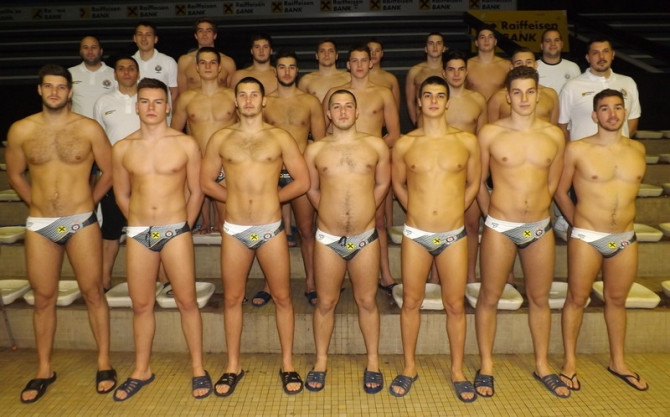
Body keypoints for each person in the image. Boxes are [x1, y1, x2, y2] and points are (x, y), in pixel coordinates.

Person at [7, 64, 115, 403]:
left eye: (61, 87)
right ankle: (44, 369)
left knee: (93, 292)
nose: (55, 92)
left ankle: (104, 362)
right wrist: (36, 203)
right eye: (49, 86)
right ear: (39, 90)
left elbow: (109, 171)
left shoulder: (89, 128)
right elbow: (15, 175)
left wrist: (89, 202)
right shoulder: (21, 130)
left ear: (70, 92)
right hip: (41, 225)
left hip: (80, 221)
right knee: (43, 298)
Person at [201, 77, 309, 396]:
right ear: (235, 101)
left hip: (270, 227)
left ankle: (287, 364)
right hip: (235, 229)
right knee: (232, 298)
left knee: (283, 297)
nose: (248, 100)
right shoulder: (221, 138)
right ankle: (232, 366)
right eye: (243, 95)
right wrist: (234, 198)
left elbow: (302, 181)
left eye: (254, 95)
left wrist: (273, 199)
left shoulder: (279, 137)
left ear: (264, 101)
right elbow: (206, 183)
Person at [475, 66, 568, 399]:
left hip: (539, 227)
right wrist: (492, 215)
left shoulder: (554, 135)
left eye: (530, 91)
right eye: (517, 92)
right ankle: (486, 365)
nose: (524, 98)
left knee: (539, 299)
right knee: (489, 297)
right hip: (501, 226)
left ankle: (542, 364)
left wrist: (537, 209)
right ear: (507, 96)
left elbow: (553, 183)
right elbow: (477, 182)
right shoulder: (490, 133)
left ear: (539, 95)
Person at [112, 78, 208, 401]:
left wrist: (184, 227)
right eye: (145, 101)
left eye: (157, 101)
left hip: (175, 229)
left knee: (187, 302)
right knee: (141, 305)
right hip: (140, 233)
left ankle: (198, 368)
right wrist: (138, 223)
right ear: (136, 106)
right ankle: (142, 369)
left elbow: (196, 190)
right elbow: (121, 194)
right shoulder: (122, 148)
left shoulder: (185, 144)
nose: (151, 107)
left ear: (168, 106)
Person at [390, 76, 481, 401]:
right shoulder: (405, 144)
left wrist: (457, 208)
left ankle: (457, 370)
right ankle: (409, 367)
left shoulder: (467, 141)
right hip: (417, 233)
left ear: (447, 102)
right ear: (418, 101)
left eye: (439, 96)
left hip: (453, 234)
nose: (432, 101)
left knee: (455, 305)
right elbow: (398, 183)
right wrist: (414, 209)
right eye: (427, 95)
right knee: (411, 302)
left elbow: (474, 182)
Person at [557, 89, 648, 392]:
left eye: (618, 108)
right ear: (595, 116)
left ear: (625, 112)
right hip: (587, 235)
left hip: (624, 237)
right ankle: (569, 363)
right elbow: (560, 190)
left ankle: (618, 361)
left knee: (617, 300)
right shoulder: (577, 149)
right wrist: (577, 223)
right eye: (605, 109)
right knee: (576, 298)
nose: (612, 114)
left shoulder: (638, 150)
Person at [303, 89, 390, 394]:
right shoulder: (315, 150)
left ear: (357, 112)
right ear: (328, 114)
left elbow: (382, 183)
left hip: (365, 237)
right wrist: (330, 212)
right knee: (326, 302)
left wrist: (364, 210)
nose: (342, 111)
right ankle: (321, 361)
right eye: (336, 107)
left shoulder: (376, 145)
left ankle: (373, 362)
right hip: (328, 238)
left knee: (367, 301)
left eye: (348, 106)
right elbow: (312, 189)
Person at [322, 44, 400, 293]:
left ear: (371, 63)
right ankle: (334, 276)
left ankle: (385, 274)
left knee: (377, 221)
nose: (358, 65)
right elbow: (325, 133)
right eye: (354, 60)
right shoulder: (335, 94)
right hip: (342, 166)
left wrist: (372, 152)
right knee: (337, 219)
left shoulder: (383, 93)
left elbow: (394, 133)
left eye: (363, 60)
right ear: (347, 64)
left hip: (371, 165)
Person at [253, 49, 326, 307]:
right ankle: (269, 284)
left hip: (301, 172)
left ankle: (311, 282)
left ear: (297, 70)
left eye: (291, 67)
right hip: (272, 172)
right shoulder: (265, 102)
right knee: (270, 231)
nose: (287, 72)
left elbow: (321, 142)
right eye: (282, 67)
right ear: (275, 71)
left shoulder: (310, 102)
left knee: (306, 230)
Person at [171, 46, 238, 234]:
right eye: (203, 63)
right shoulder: (186, 98)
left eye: (212, 63)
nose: (208, 67)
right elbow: (174, 134)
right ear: (197, 68)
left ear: (219, 68)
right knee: (181, 220)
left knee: (227, 224)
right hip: (196, 164)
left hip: (225, 165)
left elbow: (246, 130)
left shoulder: (233, 96)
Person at [93, 56, 141, 291]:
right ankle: (103, 282)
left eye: (131, 68)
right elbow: (98, 141)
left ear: (138, 73)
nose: (126, 72)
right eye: (121, 69)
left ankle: (163, 282)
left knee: (151, 230)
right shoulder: (103, 102)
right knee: (110, 232)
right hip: (114, 176)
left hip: (146, 176)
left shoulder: (147, 100)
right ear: (115, 74)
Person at [442, 50, 487, 285]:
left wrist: (481, 173)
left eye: (460, 69)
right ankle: (437, 278)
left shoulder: (477, 100)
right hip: (442, 172)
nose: (456, 74)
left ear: (467, 72)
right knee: (441, 226)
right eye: (451, 69)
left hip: (470, 169)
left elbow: (483, 139)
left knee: (470, 225)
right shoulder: (436, 100)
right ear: (443, 72)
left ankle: (469, 276)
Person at [559, 37, 640, 142]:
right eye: (595, 53)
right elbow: (561, 127)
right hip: (584, 151)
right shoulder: (571, 87)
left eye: (606, 51)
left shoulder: (628, 83)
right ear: (588, 58)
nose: (601, 57)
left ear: (613, 54)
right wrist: (576, 149)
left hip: (619, 151)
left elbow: (632, 122)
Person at [487, 48, 559, 124]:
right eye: (519, 63)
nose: (524, 66)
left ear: (535, 65)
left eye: (529, 62)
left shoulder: (551, 95)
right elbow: (492, 128)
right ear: (511, 67)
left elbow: (554, 127)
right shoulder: (498, 98)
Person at [177, 18, 236, 93]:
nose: (204, 34)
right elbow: (182, 94)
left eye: (208, 31)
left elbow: (233, 94)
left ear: (215, 35)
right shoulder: (184, 61)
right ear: (196, 35)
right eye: (200, 31)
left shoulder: (228, 62)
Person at [132, 21, 179, 107]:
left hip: (161, 113)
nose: (144, 38)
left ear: (155, 39)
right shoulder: (128, 63)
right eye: (140, 34)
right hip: (135, 112)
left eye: (148, 35)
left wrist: (163, 109)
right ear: (134, 38)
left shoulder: (168, 61)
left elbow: (174, 91)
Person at [68, 36, 116, 118]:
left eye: (94, 47)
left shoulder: (114, 74)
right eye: (85, 47)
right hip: (77, 125)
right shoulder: (70, 73)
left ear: (101, 51)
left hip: (104, 125)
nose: (90, 51)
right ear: (80, 51)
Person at [404, 32, 447, 125]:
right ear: (426, 48)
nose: (435, 47)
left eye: (438, 43)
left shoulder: (450, 71)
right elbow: (410, 101)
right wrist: (416, 123)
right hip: (422, 121)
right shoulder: (414, 71)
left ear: (444, 48)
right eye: (431, 43)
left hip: (446, 120)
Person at [466, 26, 511, 101]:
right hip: (473, 107)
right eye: (482, 37)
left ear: (495, 42)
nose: (486, 40)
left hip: (498, 107)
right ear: (476, 42)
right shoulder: (467, 65)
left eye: (490, 37)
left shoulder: (506, 65)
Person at [536, 28, 581, 95]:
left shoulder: (573, 67)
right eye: (548, 41)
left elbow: (579, 94)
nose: (553, 44)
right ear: (542, 46)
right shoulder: (534, 68)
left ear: (562, 44)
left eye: (556, 40)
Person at [367, 38, 400, 109]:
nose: (373, 54)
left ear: (382, 54)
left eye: (377, 51)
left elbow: (395, 108)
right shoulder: (356, 77)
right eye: (370, 50)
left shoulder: (391, 79)